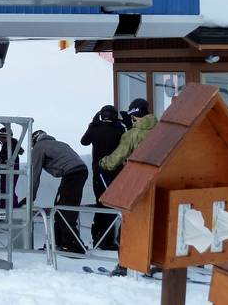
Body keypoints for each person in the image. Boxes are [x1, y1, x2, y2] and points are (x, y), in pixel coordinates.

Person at [99, 98, 158, 276]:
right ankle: (155, 262)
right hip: (159, 184)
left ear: (133, 115)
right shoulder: (161, 130)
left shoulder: (133, 134)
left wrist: (103, 163)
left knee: (128, 225)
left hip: (137, 185)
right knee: (154, 223)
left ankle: (124, 265)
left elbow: (116, 158)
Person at [31, 130, 89, 254]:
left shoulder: (38, 147)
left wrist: (30, 196)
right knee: (60, 206)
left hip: (71, 174)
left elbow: (34, 174)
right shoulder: (60, 143)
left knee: (64, 209)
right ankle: (59, 242)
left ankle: (72, 245)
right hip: (79, 171)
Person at [80, 105, 125, 250]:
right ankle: (106, 240)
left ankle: (98, 237)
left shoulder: (96, 128)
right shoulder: (119, 129)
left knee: (100, 203)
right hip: (115, 172)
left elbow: (84, 141)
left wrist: (92, 124)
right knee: (111, 204)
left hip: (98, 172)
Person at [0, 126, 24, 209]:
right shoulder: (12, 145)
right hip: (9, 172)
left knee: (6, 191)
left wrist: (1, 159)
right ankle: (10, 208)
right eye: (0, 137)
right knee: (8, 190)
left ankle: (7, 209)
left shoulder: (9, 146)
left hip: (8, 172)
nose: (1, 139)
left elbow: (7, 159)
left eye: (3, 137)